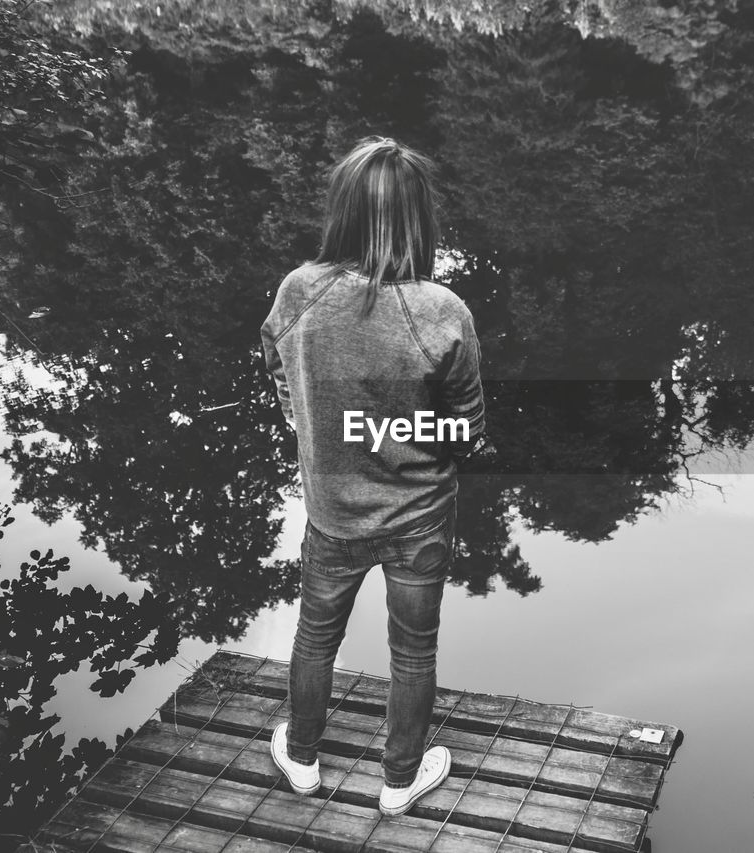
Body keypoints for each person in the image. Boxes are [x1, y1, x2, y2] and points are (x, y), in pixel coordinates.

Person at [259, 136, 487, 817]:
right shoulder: (442, 312)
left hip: (332, 513)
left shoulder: (299, 290)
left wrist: (322, 427)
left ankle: (301, 757)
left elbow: (280, 376)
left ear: (343, 211)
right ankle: (399, 780)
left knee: (314, 633)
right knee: (413, 649)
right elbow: (467, 430)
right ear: (420, 218)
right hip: (419, 516)